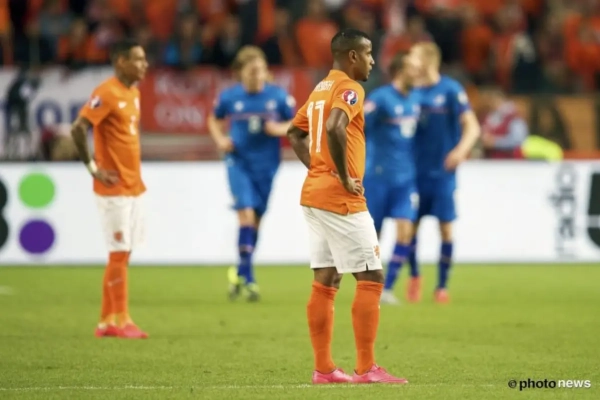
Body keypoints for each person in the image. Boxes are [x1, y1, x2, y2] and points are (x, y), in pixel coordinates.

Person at [287, 28, 408, 385]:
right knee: (372, 277)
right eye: (368, 53)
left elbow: (295, 133)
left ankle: (324, 369)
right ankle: (366, 368)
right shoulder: (350, 88)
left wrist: (319, 169)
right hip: (341, 199)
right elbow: (336, 127)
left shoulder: (320, 88)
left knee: (326, 279)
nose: (372, 60)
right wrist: (342, 175)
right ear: (352, 55)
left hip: (314, 194)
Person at [70, 39, 149, 339]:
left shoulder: (133, 93)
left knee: (123, 254)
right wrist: (93, 168)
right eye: (138, 59)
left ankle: (106, 322)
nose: (144, 64)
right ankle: (123, 319)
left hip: (133, 186)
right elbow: (78, 128)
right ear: (120, 61)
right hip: (113, 188)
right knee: (118, 253)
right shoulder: (106, 92)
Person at [208, 46, 295, 302]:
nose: (257, 75)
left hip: (267, 166)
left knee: (256, 221)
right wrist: (220, 139)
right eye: (252, 71)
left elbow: (297, 123)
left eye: (260, 70)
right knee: (245, 214)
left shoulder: (278, 97)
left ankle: (241, 271)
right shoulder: (230, 97)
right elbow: (214, 119)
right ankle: (250, 279)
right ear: (240, 73)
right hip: (238, 162)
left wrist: (278, 128)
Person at [407, 42, 481, 303]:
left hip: (442, 174)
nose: (409, 63)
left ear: (428, 61)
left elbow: (472, 127)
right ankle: (414, 276)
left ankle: (441, 286)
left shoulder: (450, 90)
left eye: (414, 57)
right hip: (414, 173)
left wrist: (461, 151)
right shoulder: (411, 92)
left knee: (446, 229)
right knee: (409, 230)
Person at [362, 52, 421, 305]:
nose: (417, 73)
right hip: (378, 177)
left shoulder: (416, 99)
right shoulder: (381, 98)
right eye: (413, 68)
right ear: (400, 71)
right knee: (373, 236)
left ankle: (387, 288)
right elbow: (357, 123)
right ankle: (369, 285)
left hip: (405, 178)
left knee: (406, 231)